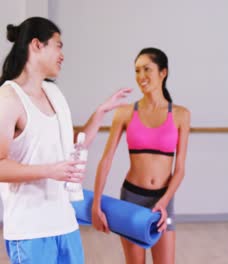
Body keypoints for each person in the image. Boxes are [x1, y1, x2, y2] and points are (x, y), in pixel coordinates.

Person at [0, 17, 131, 264]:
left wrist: (101, 111)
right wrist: (50, 170)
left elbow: (72, 146)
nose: (62, 54)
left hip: (65, 224)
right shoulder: (8, 98)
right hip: (30, 232)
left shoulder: (54, 93)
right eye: (58, 45)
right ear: (37, 45)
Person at [91, 47, 190, 264]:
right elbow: (106, 160)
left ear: (163, 72)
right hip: (131, 199)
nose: (141, 76)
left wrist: (164, 202)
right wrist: (96, 204)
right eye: (137, 71)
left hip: (163, 200)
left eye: (147, 69)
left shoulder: (181, 115)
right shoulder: (125, 112)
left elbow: (180, 169)